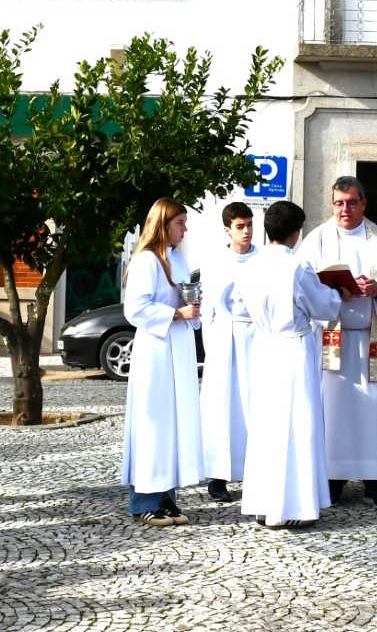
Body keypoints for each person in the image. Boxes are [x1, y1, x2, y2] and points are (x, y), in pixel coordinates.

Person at [293, 176, 377, 509]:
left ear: (364, 203)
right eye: (339, 203)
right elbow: (301, 281)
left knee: (371, 411)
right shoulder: (317, 238)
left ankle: (375, 482)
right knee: (333, 411)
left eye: (351, 202)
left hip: (368, 337)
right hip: (332, 340)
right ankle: (332, 479)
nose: (344, 209)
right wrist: (332, 289)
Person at [238, 201, 341, 529]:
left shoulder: (251, 266)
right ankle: (293, 505)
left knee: (267, 426)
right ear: (297, 233)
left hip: (265, 346)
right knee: (296, 424)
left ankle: (262, 503)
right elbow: (323, 306)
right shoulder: (298, 267)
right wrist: (337, 292)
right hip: (294, 348)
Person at [121, 198, 204, 526]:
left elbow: (185, 300)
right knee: (153, 422)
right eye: (180, 222)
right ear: (163, 223)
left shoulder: (178, 259)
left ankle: (167, 495)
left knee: (175, 422)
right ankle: (143, 500)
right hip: (156, 350)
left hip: (179, 348)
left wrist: (194, 307)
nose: (185, 229)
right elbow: (135, 309)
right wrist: (174, 313)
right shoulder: (146, 261)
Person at [198, 203, 257, 503]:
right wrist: (213, 347)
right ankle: (218, 474)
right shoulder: (215, 260)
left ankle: (255, 472)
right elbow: (207, 306)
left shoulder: (261, 259)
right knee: (221, 408)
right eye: (240, 226)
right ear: (227, 229)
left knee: (252, 405)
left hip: (254, 337)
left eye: (249, 224)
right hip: (223, 336)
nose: (247, 231)